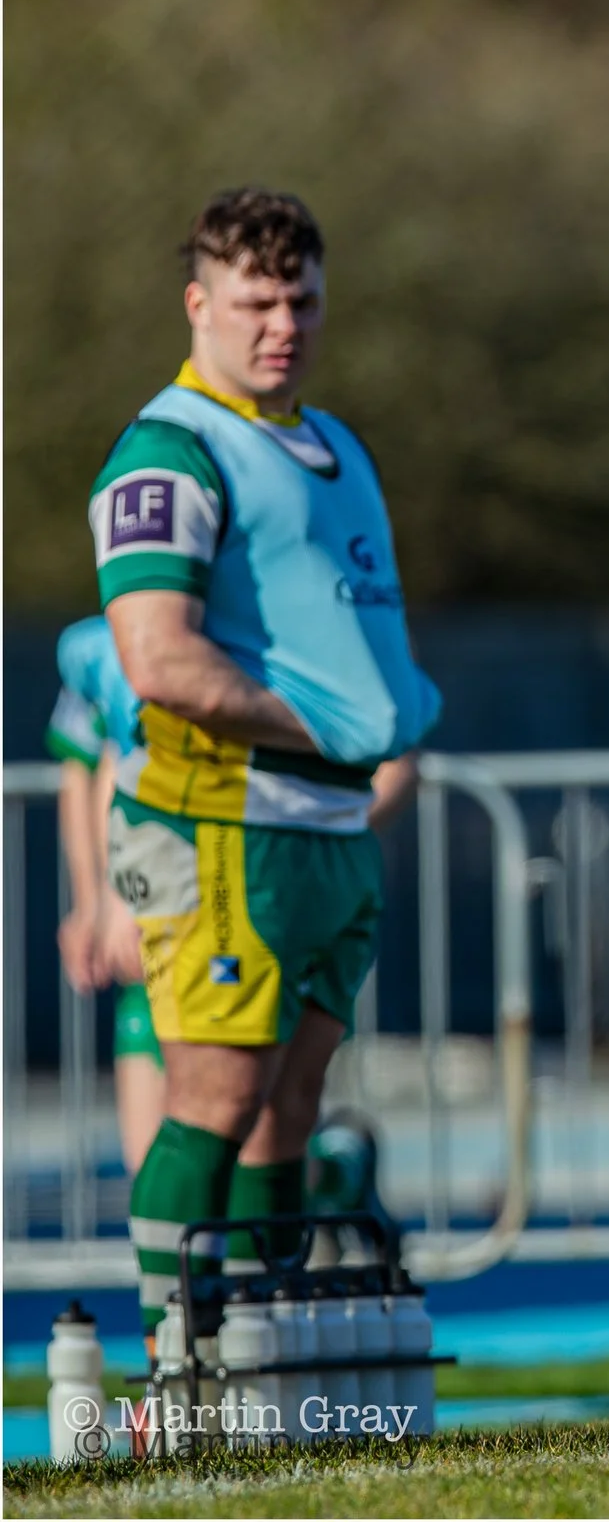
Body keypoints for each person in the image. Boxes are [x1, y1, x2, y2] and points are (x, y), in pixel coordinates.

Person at [93, 187, 440, 1343]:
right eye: (254, 301)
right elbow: (158, 659)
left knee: (291, 1108)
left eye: (300, 298)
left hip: (329, 832)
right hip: (219, 822)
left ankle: (267, 1342)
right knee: (217, 1095)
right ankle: (169, 1363)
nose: (280, 322)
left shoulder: (334, 442)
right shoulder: (173, 450)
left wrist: (371, 730)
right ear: (200, 305)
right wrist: (329, 726)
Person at [51, 615, 159, 1176]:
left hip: (219, 907)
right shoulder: (95, 647)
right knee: (149, 1168)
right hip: (141, 926)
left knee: (260, 1143)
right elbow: (85, 772)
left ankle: (336, 1169)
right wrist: (93, 904)